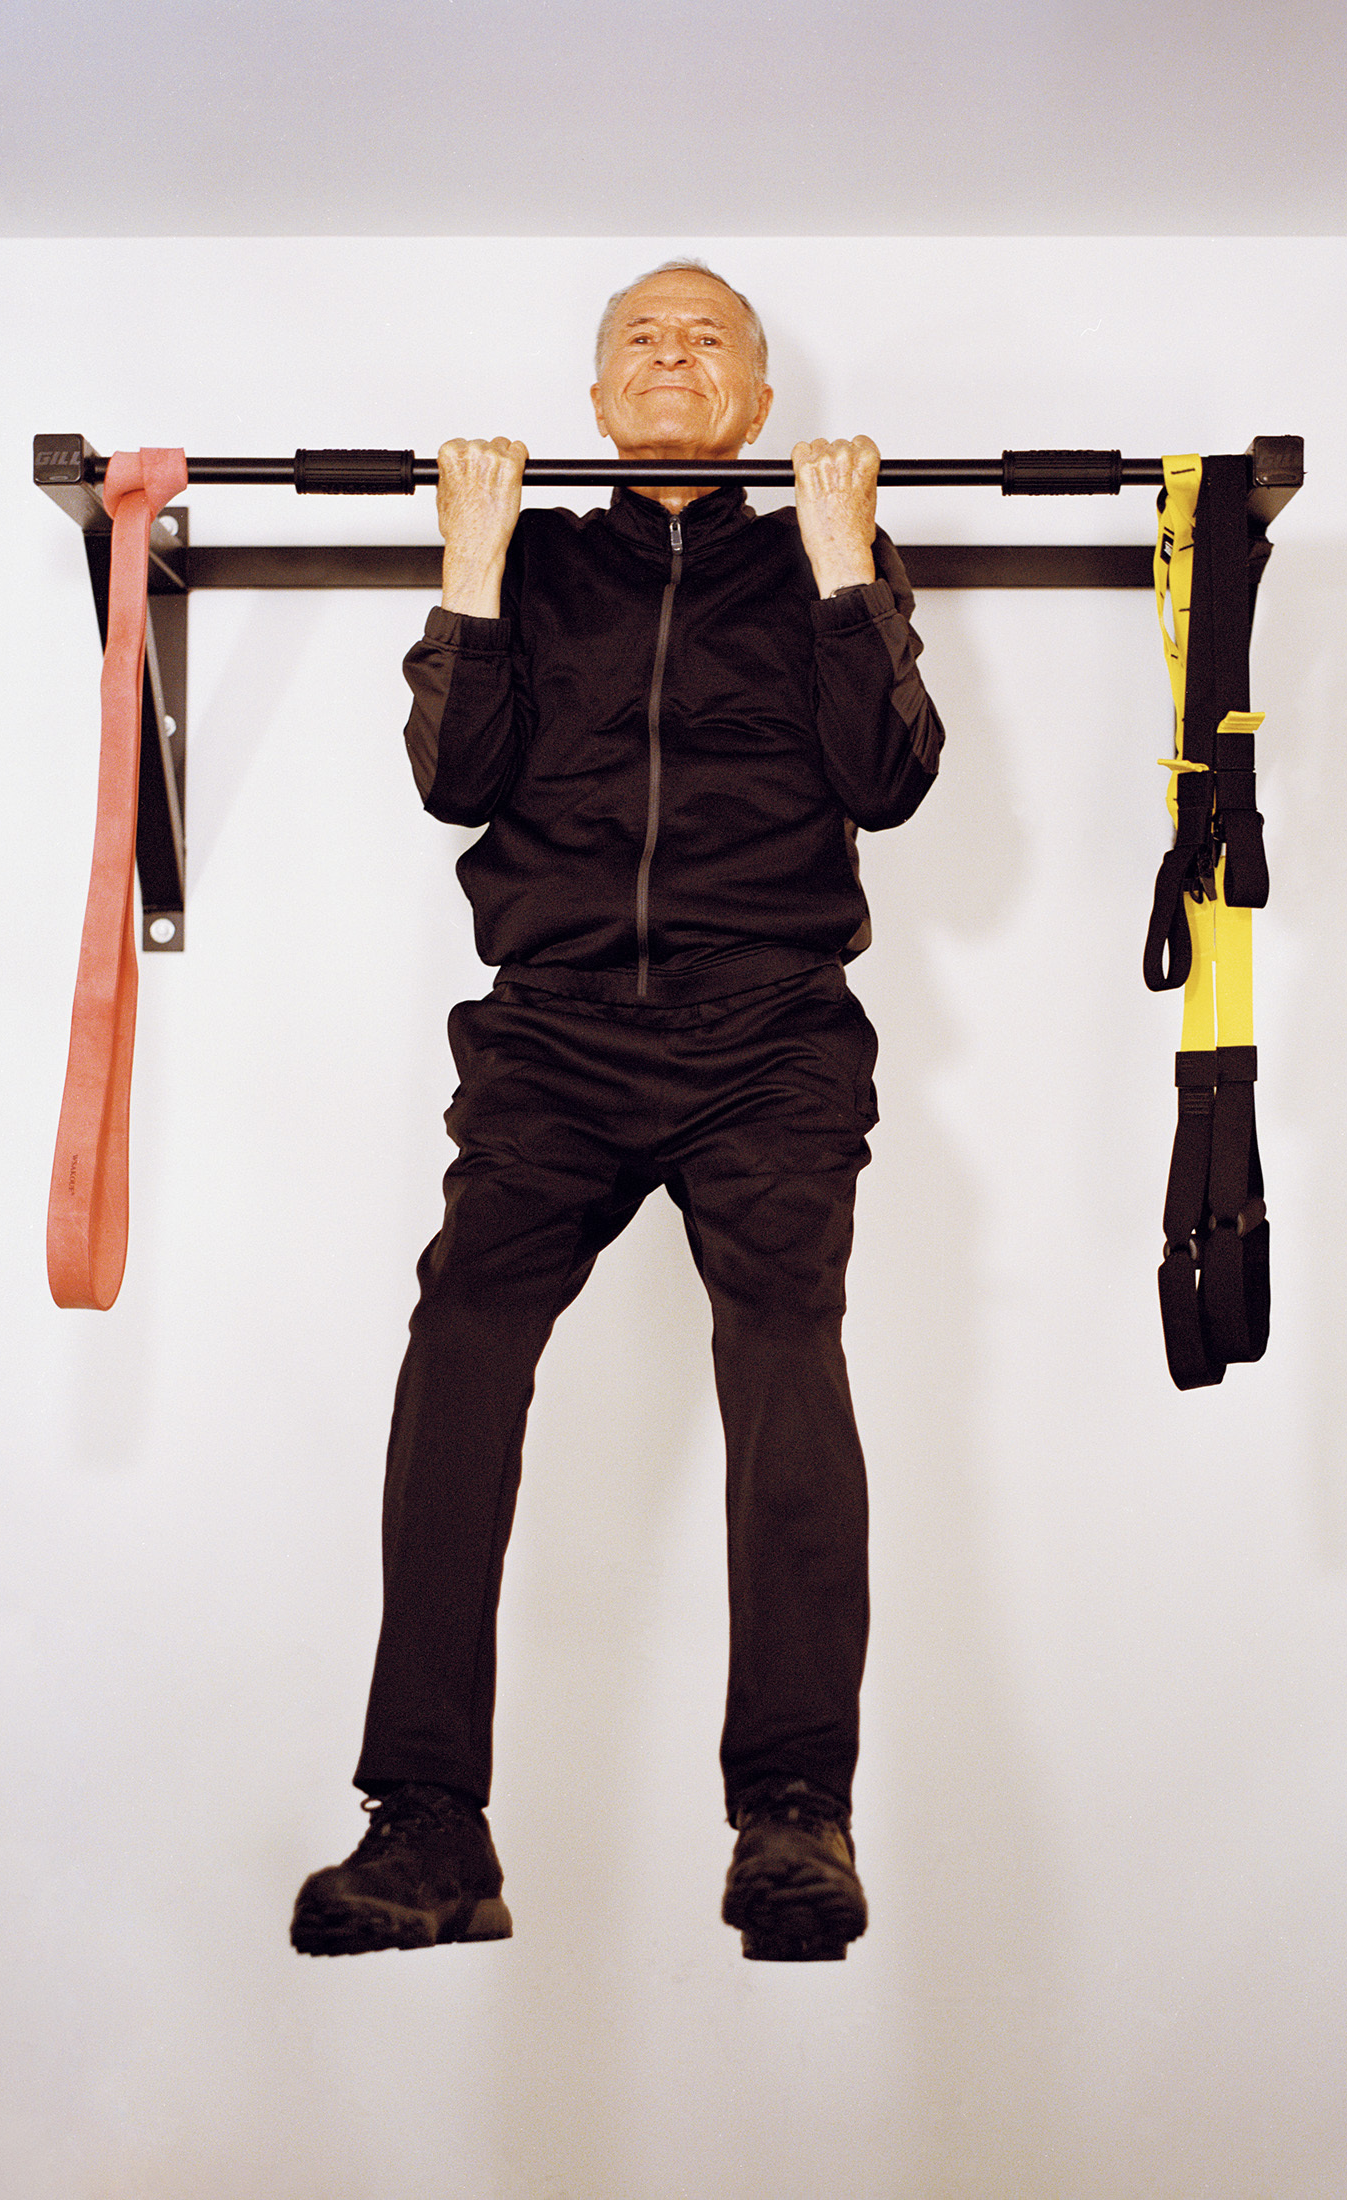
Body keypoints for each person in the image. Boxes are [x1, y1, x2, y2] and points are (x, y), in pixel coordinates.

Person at [291, 260, 944, 1964]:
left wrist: (838, 562)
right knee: (461, 1344)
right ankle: (427, 1824)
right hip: (554, 1036)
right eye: (638, 341)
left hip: (770, 1034)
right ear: (595, 403)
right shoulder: (544, 559)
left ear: (755, 397)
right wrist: (469, 566)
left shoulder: (825, 553)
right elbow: (457, 780)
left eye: (704, 339)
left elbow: (888, 779)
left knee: (784, 1353)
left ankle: (796, 1814)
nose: (672, 358)